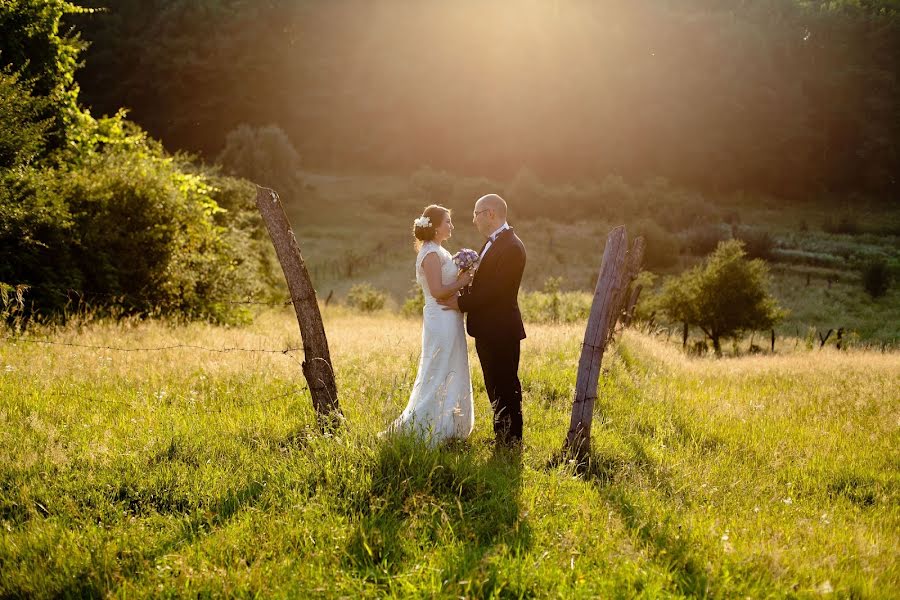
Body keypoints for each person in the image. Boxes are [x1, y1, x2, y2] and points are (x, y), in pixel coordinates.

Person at [438, 194, 526, 447]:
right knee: (494, 383)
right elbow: (482, 284)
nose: (473, 219)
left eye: (476, 213)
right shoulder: (493, 243)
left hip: (500, 328)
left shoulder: (511, 247)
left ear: (490, 214)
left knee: (506, 384)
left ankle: (512, 439)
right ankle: (502, 434)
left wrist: (461, 303)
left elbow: (496, 290)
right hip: (488, 328)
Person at [384, 205, 475, 444]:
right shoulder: (430, 254)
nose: (451, 226)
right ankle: (427, 426)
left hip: (450, 317)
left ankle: (449, 426)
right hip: (440, 318)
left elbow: (446, 286)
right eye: (447, 222)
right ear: (435, 227)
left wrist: (463, 281)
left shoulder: (439, 250)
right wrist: (462, 280)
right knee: (439, 370)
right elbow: (437, 292)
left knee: (452, 367)